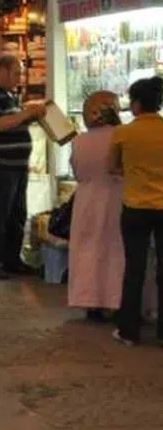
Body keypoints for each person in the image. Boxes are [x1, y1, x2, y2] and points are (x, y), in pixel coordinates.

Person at [0, 56, 47, 279]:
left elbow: (14, 122)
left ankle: (11, 260)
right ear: (2, 71)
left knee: (17, 215)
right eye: (16, 73)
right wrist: (26, 113)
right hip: (1, 167)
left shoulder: (10, 97)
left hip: (18, 167)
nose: (20, 78)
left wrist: (34, 117)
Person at [110, 76, 163, 346]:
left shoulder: (123, 133)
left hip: (134, 208)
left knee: (134, 269)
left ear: (138, 104)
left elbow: (112, 167)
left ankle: (129, 331)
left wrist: (132, 171)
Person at [68, 91, 125, 321]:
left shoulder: (80, 141)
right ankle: (116, 300)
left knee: (88, 250)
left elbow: (77, 171)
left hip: (87, 200)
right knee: (115, 250)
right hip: (118, 198)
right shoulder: (122, 136)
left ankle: (91, 301)